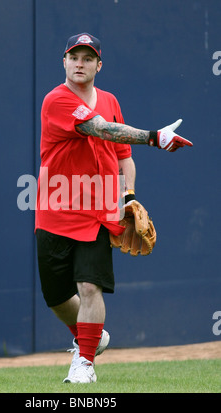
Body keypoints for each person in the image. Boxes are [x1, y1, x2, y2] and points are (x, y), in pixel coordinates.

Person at [35, 33, 192, 384]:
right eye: (74, 56)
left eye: (87, 58)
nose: (80, 63)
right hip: (56, 209)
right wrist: (154, 136)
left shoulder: (110, 99)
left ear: (98, 65)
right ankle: (92, 336)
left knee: (91, 287)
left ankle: (85, 363)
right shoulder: (56, 100)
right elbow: (101, 130)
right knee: (57, 297)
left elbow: (123, 157)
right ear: (64, 61)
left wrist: (127, 194)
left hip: (100, 211)